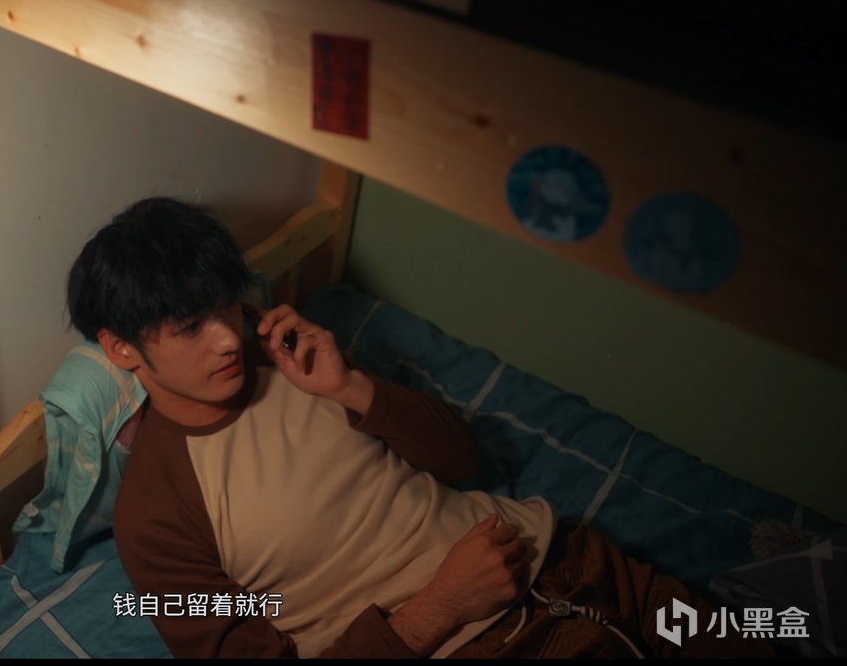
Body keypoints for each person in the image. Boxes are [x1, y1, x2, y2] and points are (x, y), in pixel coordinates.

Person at [67, 196, 773, 659]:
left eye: (225, 305)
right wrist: (440, 607)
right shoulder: (155, 516)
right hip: (467, 643)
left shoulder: (293, 360)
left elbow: (463, 458)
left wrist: (351, 386)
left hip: (566, 560)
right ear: (122, 349)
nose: (226, 338)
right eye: (189, 327)